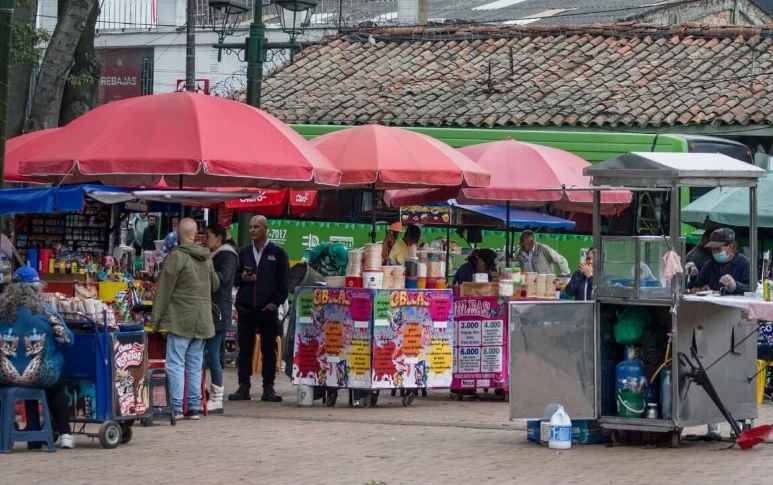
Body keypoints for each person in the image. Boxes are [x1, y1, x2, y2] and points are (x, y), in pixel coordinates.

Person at [151, 218, 219, 420]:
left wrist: (155, 322)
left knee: (175, 363)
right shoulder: (206, 257)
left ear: (177, 233)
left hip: (180, 318)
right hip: (202, 319)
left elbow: (164, 291)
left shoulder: (176, 257)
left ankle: (177, 408)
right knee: (195, 363)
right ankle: (194, 407)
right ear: (195, 234)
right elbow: (215, 285)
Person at [0, 267, 75, 448]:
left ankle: (15, 430)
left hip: (4, 375)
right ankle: (65, 434)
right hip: (41, 376)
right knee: (57, 388)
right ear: (36, 289)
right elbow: (67, 340)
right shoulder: (46, 311)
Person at [229, 215, 289, 403]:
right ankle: (243, 386)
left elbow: (284, 283)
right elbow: (233, 277)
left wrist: (275, 303)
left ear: (265, 228)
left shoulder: (278, 253)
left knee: (268, 349)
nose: (252, 230)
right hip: (246, 308)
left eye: (256, 227)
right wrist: (242, 279)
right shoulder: (243, 252)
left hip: (267, 309)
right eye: (250, 227)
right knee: (244, 349)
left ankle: (268, 388)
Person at [203, 223, 238, 414]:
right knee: (207, 354)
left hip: (218, 312)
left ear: (218, 238)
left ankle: (217, 397)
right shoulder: (216, 255)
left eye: (207, 236)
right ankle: (205, 393)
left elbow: (222, 278)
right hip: (211, 310)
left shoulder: (227, 255)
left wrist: (204, 272)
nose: (204, 240)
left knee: (213, 355)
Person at [686, 228, 750, 295]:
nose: (715, 252)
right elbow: (697, 286)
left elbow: (752, 288)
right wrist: (693, 277)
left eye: (718, 249)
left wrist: (735, 286)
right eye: (713, 249)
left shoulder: (745, 263)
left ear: (731, 247)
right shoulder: (709, 264)